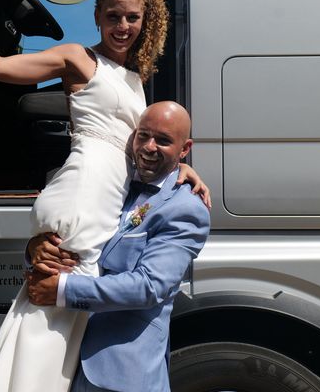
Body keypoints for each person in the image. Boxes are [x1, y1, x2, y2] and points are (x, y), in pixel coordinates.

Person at [0, 0, 209, 391]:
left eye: (132, 18)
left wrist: (180, 165)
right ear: (97, 16)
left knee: (64, 312)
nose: (122, 26)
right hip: (84, 192)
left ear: (146, 21)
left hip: (111, 197)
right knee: (49, 307)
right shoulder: (77, 58)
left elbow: (140, 142)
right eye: (112, 16)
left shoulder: (140, 77)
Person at [26, 101, 211, 392]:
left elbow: (150, 286)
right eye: (143, 135)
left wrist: (62, 290)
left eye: (163, 140)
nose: (149, 147)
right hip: (60, 355)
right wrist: (37, 248)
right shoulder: (113, 182)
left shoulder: (185, 208)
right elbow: (74, 236)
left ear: (185, 148)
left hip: (119, 373)